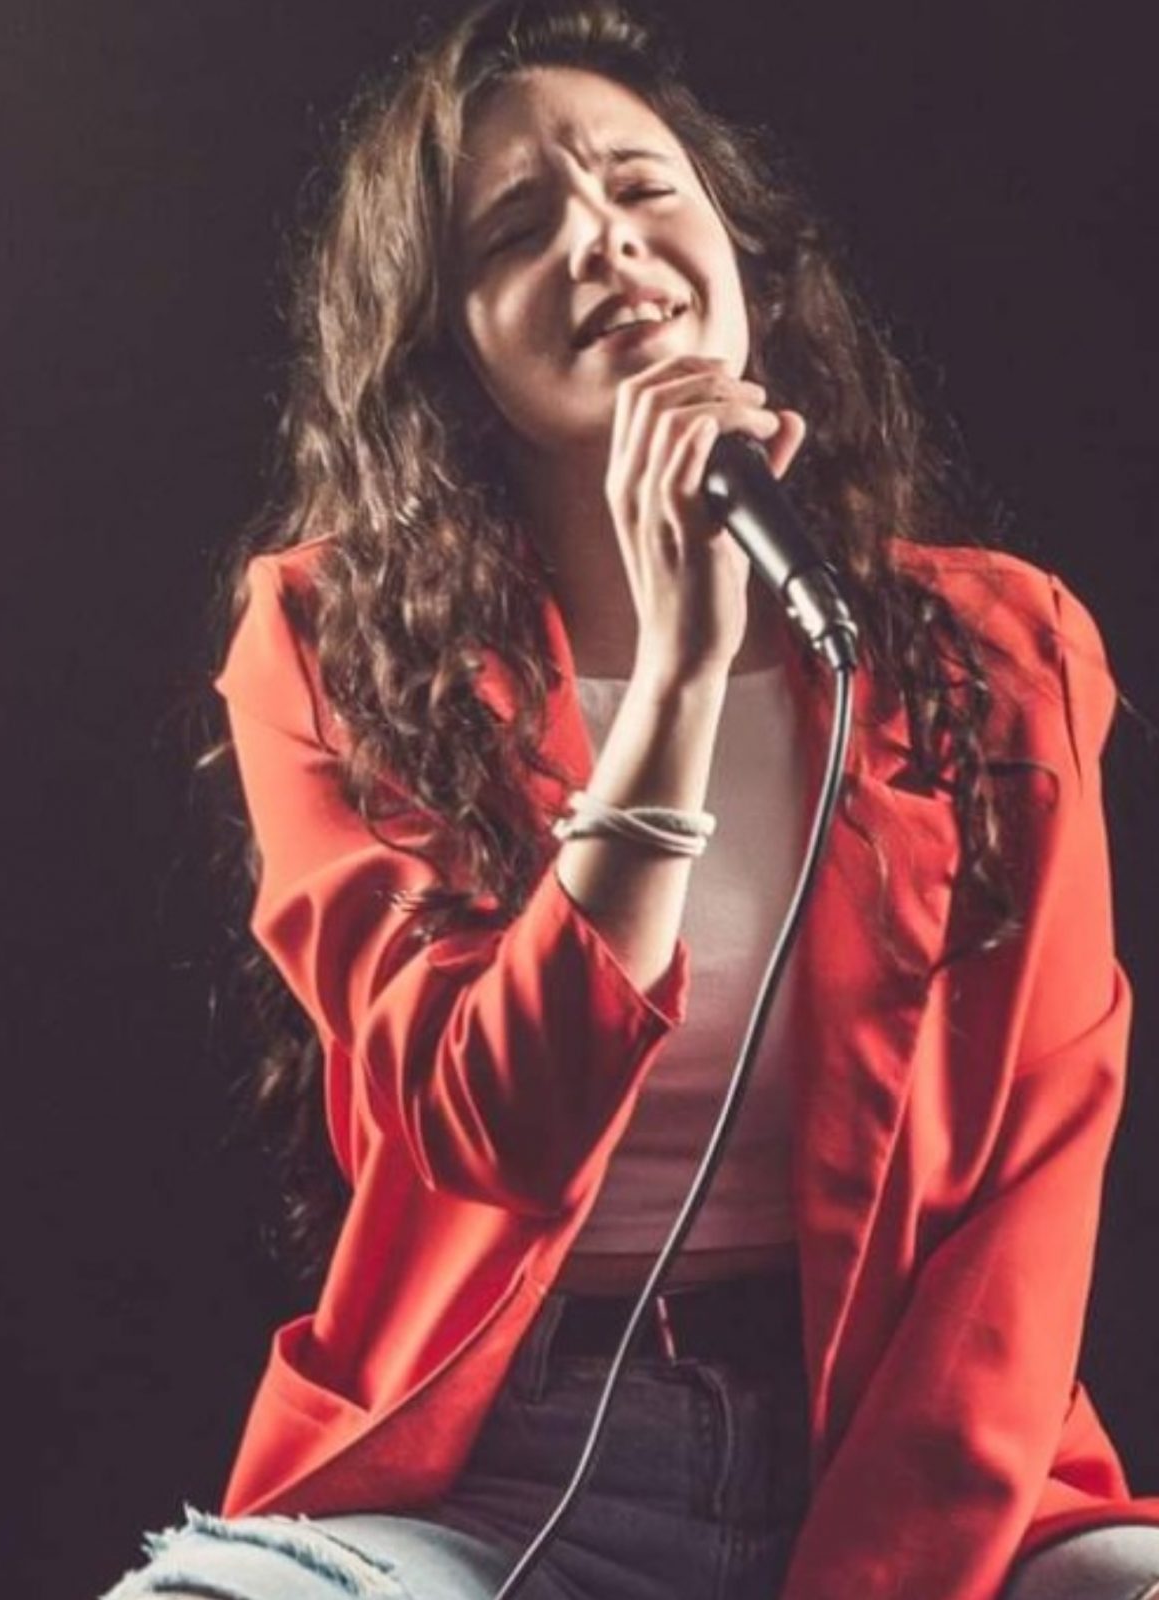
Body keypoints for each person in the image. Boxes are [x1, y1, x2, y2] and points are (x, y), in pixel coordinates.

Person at [108, 2, 1159, 1597]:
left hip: (907, 1451)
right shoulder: (327, 644)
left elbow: (1026, 1194)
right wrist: (673, 684)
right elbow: (490, 1125)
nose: (603, 242)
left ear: (742, 258)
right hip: (498, 1476)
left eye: (644, 187)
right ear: (450, 345)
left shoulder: (1002, 649)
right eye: (518, 230)